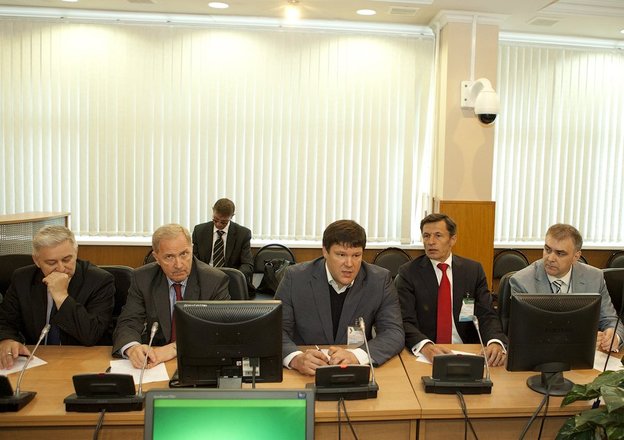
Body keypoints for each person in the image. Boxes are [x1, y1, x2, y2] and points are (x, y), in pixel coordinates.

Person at [275, 219, 404, 376]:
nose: (349, 264)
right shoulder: (295, 278)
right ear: (325, 251)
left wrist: (357, 356)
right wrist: (295, 358)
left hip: (353, 371)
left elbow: (393, 332)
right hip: (306, 372)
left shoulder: (379, 280)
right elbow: (276, 330)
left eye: (356, 255)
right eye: (341, 255)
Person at [113, 224, 230, 369]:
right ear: (156, 257)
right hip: (154, 363)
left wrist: (174, 348)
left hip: (198, 361)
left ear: (192, 249)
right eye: (169, 257)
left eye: (184, 254)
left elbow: (219, 331)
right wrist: (132, 348)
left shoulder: (214, 281)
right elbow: (128, 322)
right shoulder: (143, 279)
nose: (178, 265)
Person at [397, 213, 507, 367]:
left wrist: (495, 341)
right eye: (426, 236)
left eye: (438, 235)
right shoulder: (409, 273)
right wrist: (425, 345)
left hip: (467, 350)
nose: (431, 242)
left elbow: (486, 314)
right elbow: (404, 320)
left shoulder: (473, 271)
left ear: (452, 239)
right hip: (426, 353)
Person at [0, 225, 115, 369]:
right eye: (51, 262)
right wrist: (7, 340)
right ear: (36, 261)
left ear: (76, 252)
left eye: (67, 259)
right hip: (36, 361)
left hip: (83, 362)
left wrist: (61, 297)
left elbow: (91, 335)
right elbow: (5, 321)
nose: (61, 268)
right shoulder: (22, 279)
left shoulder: (99, 281)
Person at [510, 223, 624, 351]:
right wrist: (581, 339)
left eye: (560, 253)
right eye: (547, 249)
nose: (550, 258)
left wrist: (614, 336)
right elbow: (524, 333)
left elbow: (610, 319)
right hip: (541, 353)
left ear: (576, 256)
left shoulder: (594, 277)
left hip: (586, 356)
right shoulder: (522, 282)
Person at [192, 198, 253, 289]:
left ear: (232, 216)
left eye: (224, 222)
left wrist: (234, 278)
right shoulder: (199, 231)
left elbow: (247, 265)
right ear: (213, 211)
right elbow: (194, 261)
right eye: (215, 220)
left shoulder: (243, 234)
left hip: (231, 282)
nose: (218, 224)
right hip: (204, 279)